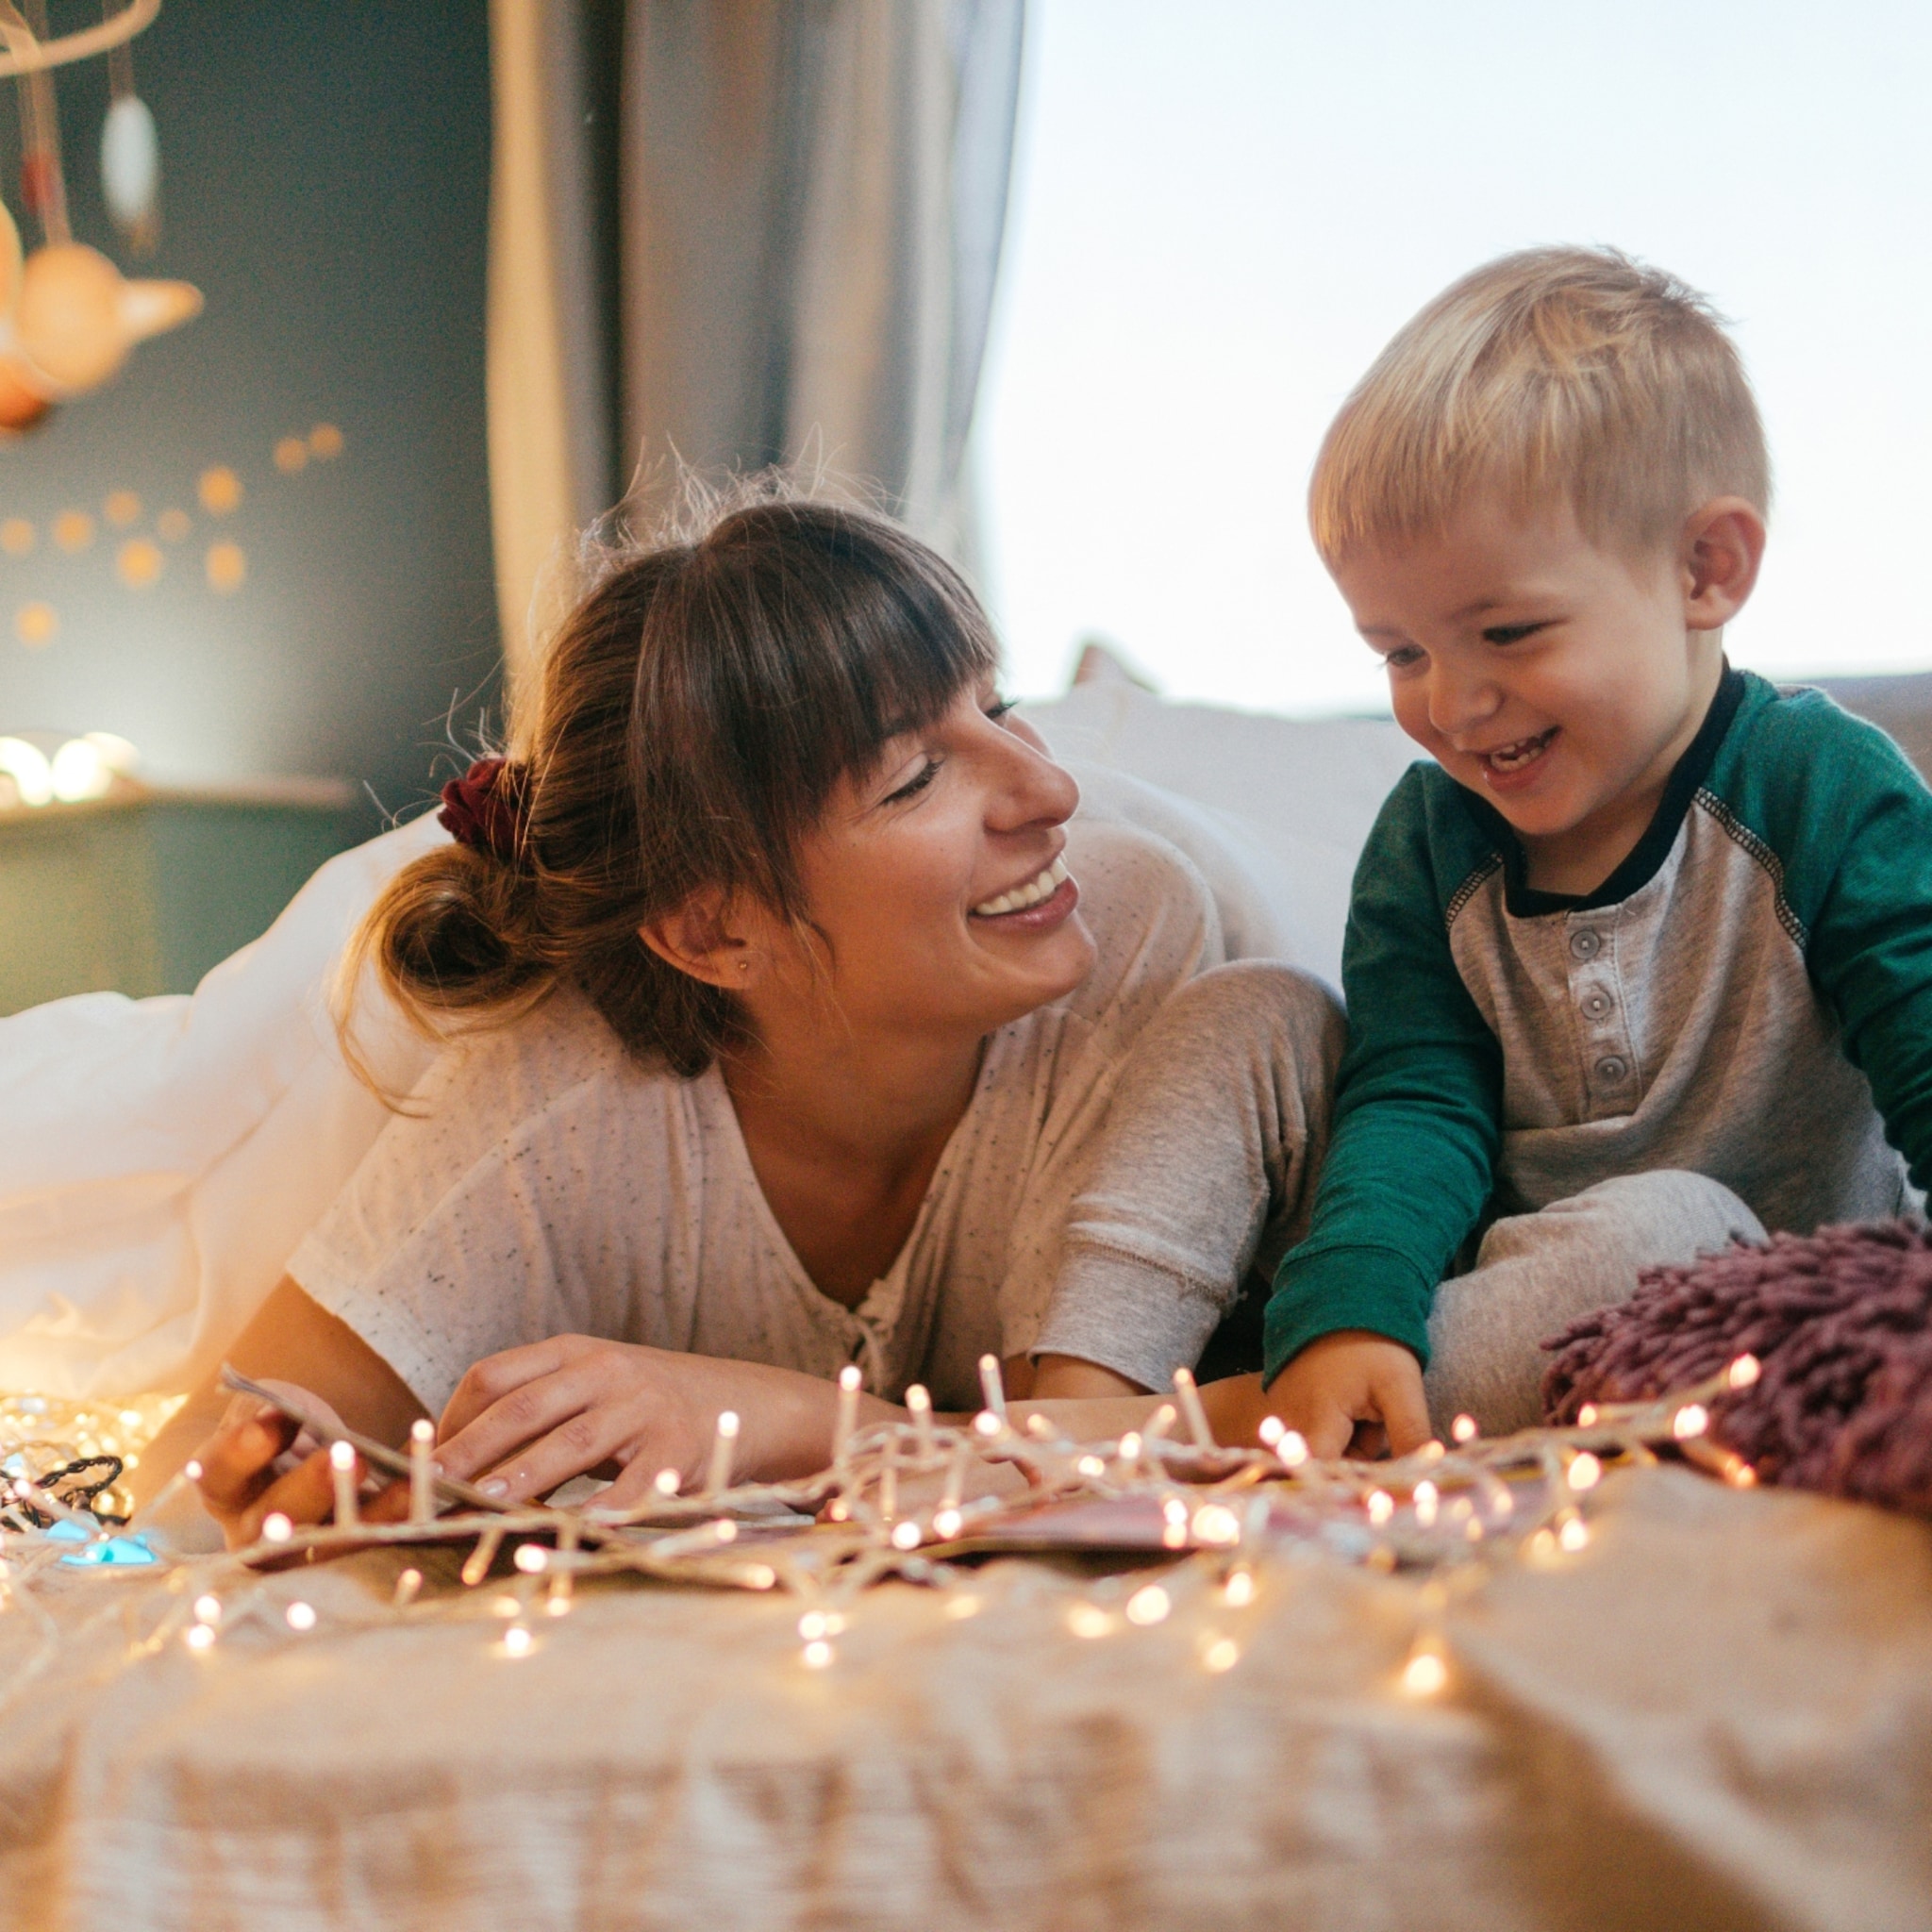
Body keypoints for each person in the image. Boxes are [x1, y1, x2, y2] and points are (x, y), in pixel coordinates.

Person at [136, 484, 1341, 1544]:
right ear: (714, 930)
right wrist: (281, 1481)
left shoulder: (1125, 945)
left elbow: (1064, 1452)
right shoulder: (567, 1101)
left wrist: (783, 1419)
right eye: (915, 774)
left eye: (999, 702)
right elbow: (204, 1473)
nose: (1048, 785)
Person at [1197, 245, 1932, 1458]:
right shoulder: (1428, 841)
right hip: (1518, 1285)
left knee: (1662, 1223)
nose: (1455, 702)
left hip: (1764, 1301)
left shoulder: (1818, 788)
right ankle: (1279, 1378)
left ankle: (1234, 1412)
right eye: (1400, 653)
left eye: (1506, 631)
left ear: (1704, 569)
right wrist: (1349, 1307)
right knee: (1246, 1023)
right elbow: (1415, 1096)